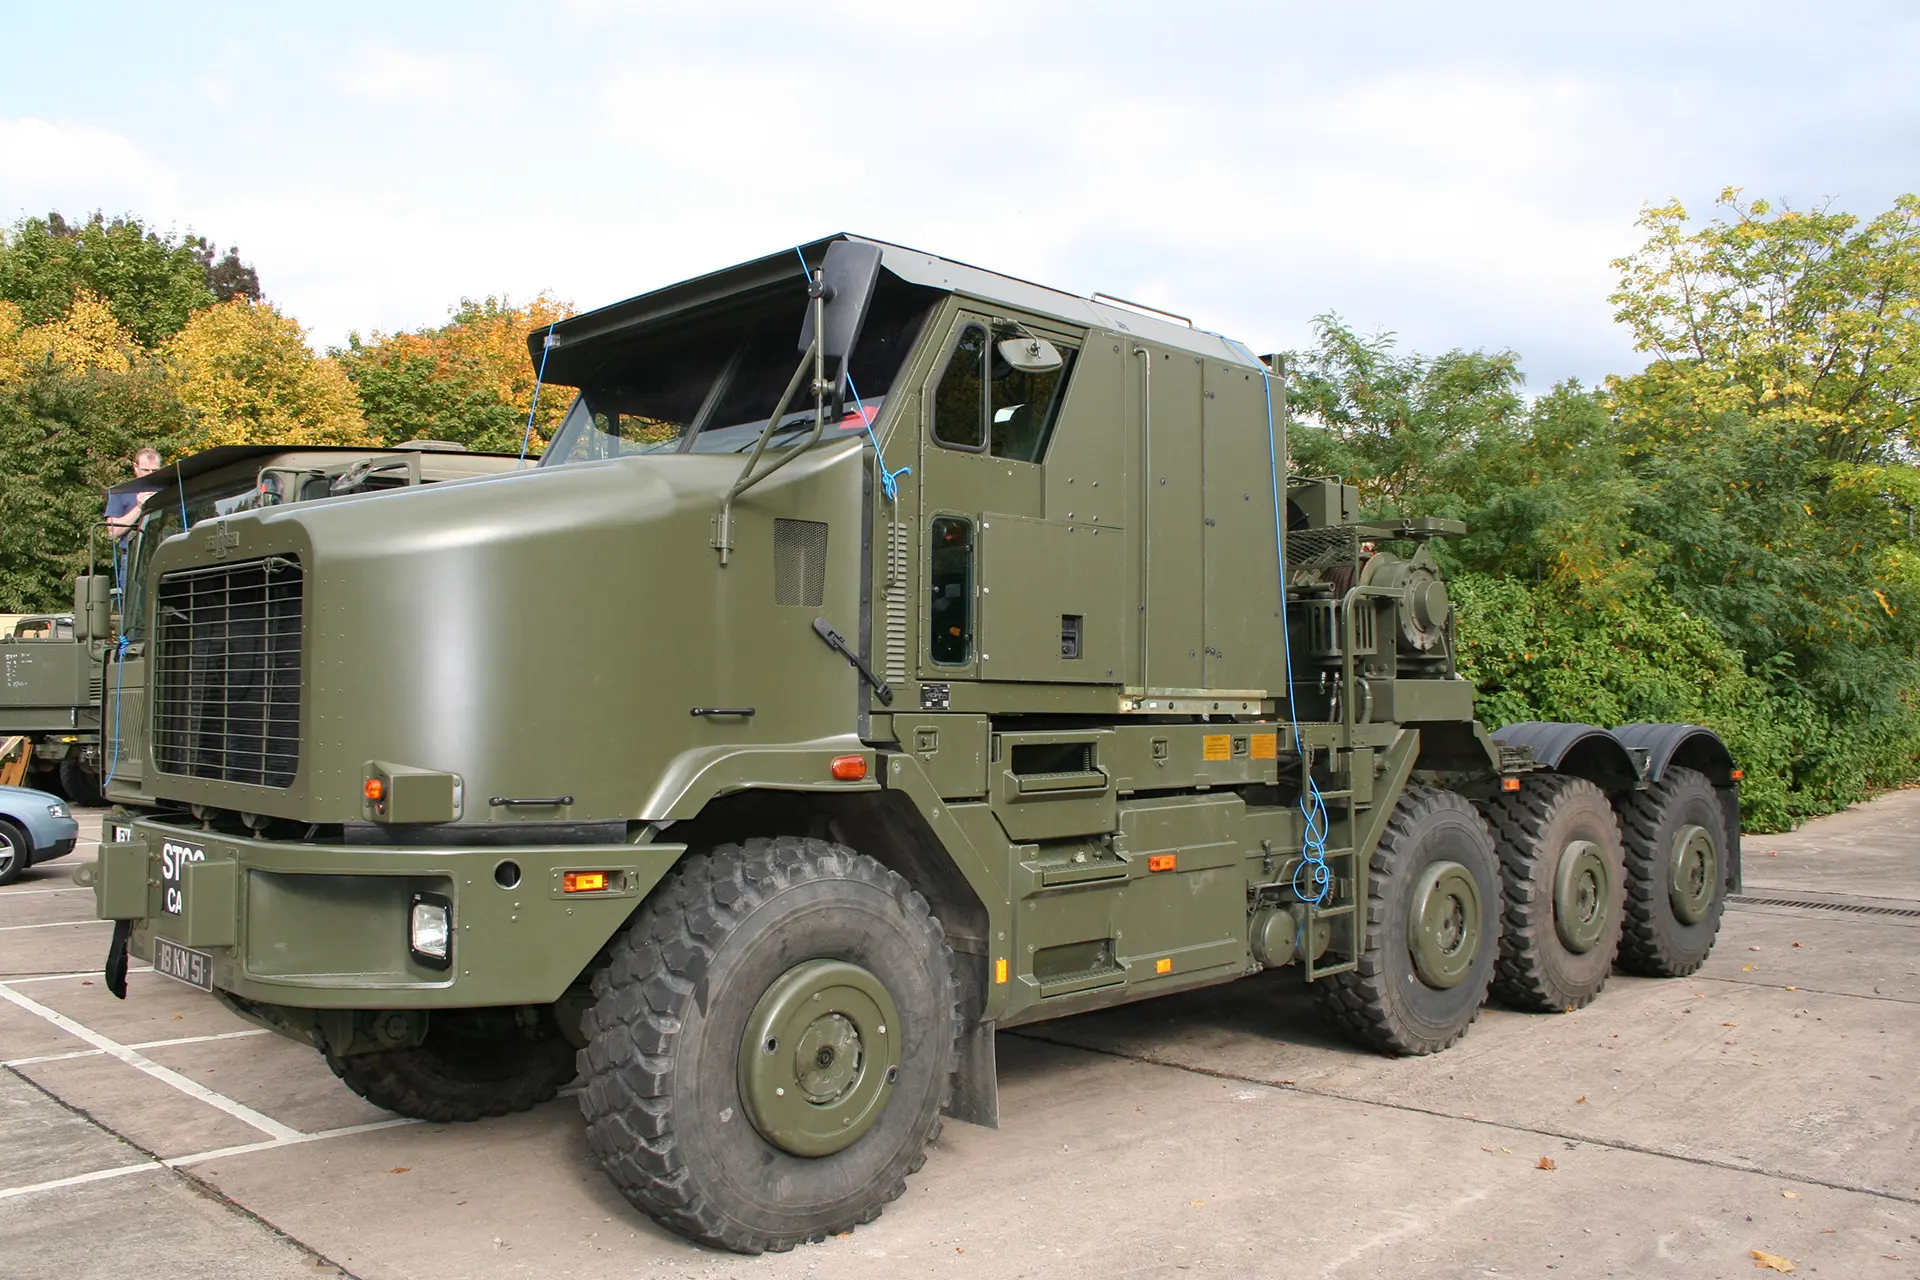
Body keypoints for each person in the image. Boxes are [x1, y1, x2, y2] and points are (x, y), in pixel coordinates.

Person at [104, 448, 163, 540]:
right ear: (135, 467)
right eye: (145, 470)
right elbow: (113, 532)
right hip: (132, 548)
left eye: (154, 471)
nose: (150, 474)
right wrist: (139, 508)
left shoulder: (168, 489)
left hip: (163, 546)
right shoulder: (120, 491)